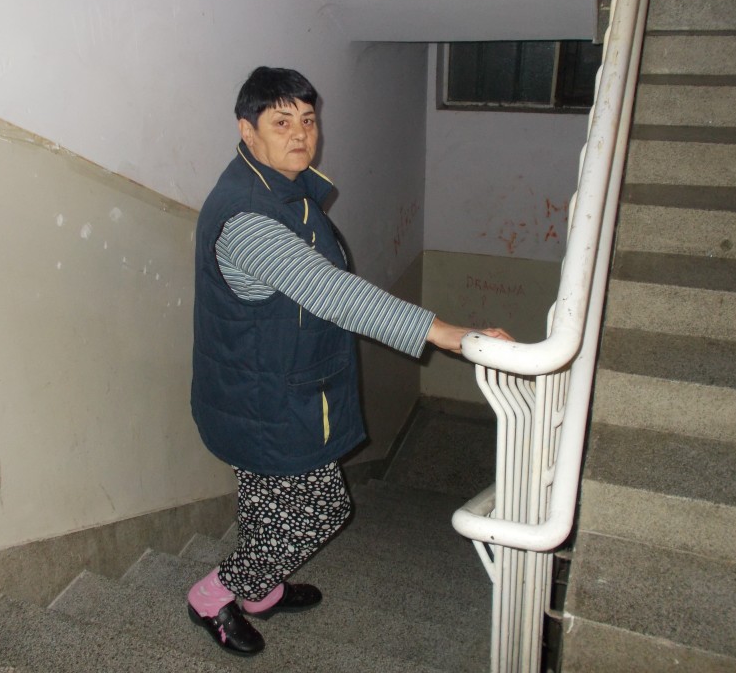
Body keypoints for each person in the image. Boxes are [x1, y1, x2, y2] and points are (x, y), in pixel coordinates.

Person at [188, 66, 512, 655]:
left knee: (268, 505)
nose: (300, 134)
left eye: (308, 120)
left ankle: (258, 590)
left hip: (267, 386)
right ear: (246, 129)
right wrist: (451, 335)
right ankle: (214, 595)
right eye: (281, 122)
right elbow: (331, 291)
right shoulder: (247, 218)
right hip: (261, 401)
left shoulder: (281, 188)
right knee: (322, 510)